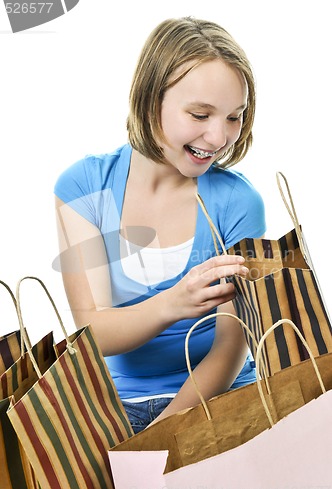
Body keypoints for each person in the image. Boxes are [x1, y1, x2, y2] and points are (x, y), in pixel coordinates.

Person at [54, 16, 266, 434]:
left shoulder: (238, 201)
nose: (219, 137)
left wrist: (159, 440)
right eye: (201, 114)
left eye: (233, 117)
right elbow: (92, 332)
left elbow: (231, 346)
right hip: (117, 406)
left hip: (219, 399)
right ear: (151, 100)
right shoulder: (84, 187)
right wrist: (174, 303)